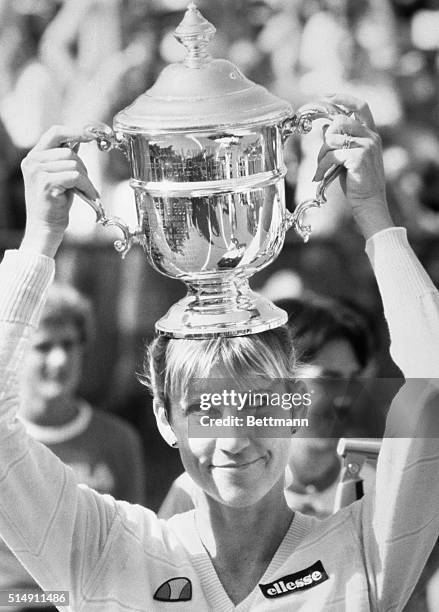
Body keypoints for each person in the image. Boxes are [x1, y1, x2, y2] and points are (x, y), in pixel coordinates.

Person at [0, 94, 438, 611]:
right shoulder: (105, 550)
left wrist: (373, 215)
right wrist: (39, 241)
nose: (232, 439)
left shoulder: (366, 551)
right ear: (164, 417)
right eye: (205, 409)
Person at [158, 293, 379, 520]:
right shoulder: (203, 489)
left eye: (354, 381)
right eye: (329, 381)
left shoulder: (377, 488)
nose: (345, 399)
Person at [0, 282, 147, 612]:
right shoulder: (3, 444)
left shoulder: (118, 440)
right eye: (43, 346)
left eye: (69, 344)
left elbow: (131, 550)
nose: (59, 359)